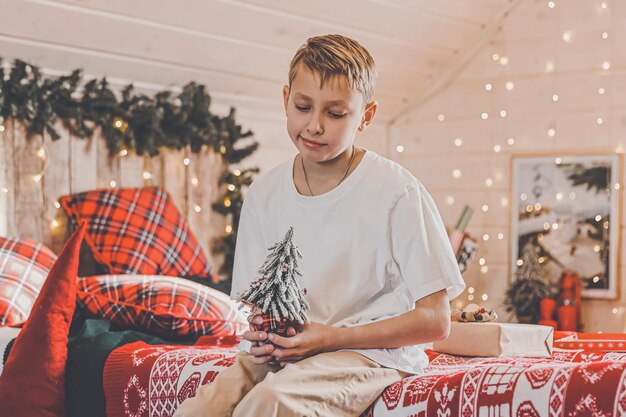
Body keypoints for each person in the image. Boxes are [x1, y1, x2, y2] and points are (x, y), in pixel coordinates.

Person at [174, 33, 465, 417]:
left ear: (366, 115)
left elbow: (435, 320)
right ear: (285, 100)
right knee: (197, 411)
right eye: (303, 106)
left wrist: (331, 338)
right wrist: (265, 336)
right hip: (289, 353)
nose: (314, 125)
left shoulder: (398, 192)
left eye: (335, 113)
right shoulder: (264, 193)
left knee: (270, 403)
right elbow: (255, 303)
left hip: (366, 355)